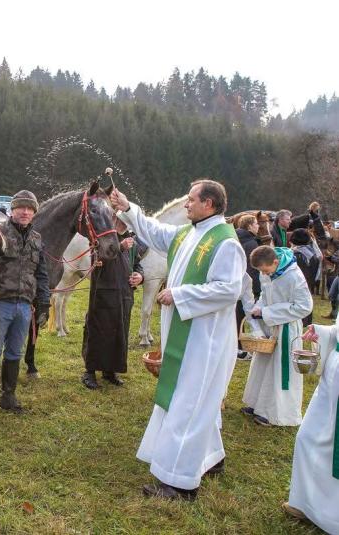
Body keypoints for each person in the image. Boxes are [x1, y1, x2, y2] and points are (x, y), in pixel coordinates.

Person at [110, 179, 245, 501]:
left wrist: (181, 294)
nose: (186, 205)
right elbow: (155, 232)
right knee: (197, 401)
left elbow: (230, 290)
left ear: (209, 204)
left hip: (204, 340)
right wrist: (128, 209)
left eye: (191, 200)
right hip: (186, 336)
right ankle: (212, 458)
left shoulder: (225, 243)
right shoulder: (189, 233)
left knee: (190, 403)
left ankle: (180, 484)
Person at [0, 190, 50, 418]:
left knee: (15, 352)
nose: (25, 212)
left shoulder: (37, 239)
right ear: (12, 210)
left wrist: (44, 303)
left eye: (29, 208)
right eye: (20, 207)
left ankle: (8, 397)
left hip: (24, 306)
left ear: (34, 212)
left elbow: (41, 273)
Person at [240, 246, 312, 427]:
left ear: (275, 262)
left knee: (280, 371)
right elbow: (265, 292)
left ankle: (276, 413)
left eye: (265, 270)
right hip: (269, 325)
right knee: (262, 365)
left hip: (286, 326)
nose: (263, 274)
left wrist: (269, 312)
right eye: (260, 271)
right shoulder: (266, 272)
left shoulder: (295, 276)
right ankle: (257, 404)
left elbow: (304, 307)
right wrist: (259, 307)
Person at [281, 319, 339, 533]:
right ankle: (306, 502)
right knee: (308, 436)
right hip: (332, 376)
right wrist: (323, 332)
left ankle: (331, 515)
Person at [80, 217, 143, 389]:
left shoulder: (132, 240)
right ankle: (89, 371)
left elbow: (137, 265)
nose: (122, 224)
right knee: (98, 331)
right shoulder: (103, 238)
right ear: (113, 220)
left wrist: (139, 276)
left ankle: (110, 371)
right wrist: (120, 247)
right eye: (119, 220)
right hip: (103, 293)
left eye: (125, 221)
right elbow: (97, 260)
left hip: (125, 295)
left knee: (119, 333)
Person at [236, 214, 261, 360]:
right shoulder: (251, 243)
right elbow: (252, 269)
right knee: (243, 316)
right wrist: (256, 288)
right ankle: (239, 349)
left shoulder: (235, 237)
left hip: (236, 283)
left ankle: (237, 347)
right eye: (256, 223)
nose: (258, 226)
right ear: (249, 226)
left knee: (236, 317)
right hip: (245, 284)